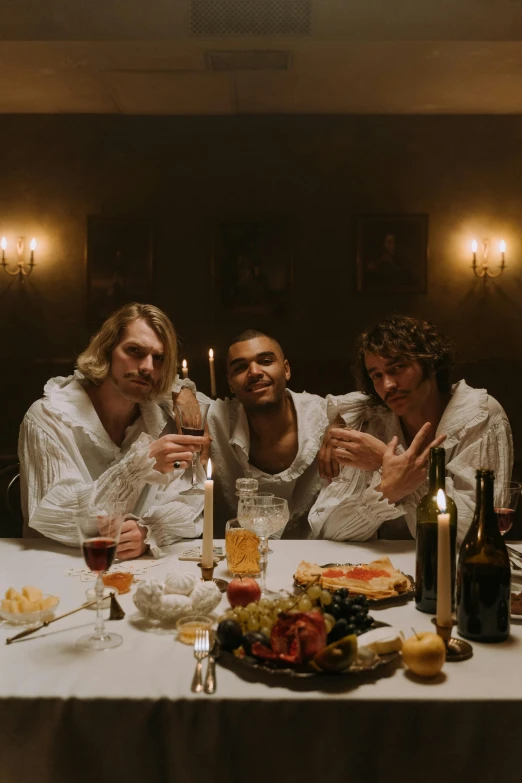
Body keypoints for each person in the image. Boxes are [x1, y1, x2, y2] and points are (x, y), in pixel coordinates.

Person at [19, 303, 207, 559]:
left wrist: (150, 530)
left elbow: (191, 499)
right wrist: (140, 465)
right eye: (134, 351)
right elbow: (53, 513)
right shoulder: (48, 417)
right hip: (54, 567)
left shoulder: (162, 419)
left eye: (158, 358)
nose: (147, 367)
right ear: (106, 351)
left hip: (136, 571)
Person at [309, 315, 513, 543]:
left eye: (398, 367)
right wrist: (387, 491)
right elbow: (329, 531)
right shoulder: (370, 420)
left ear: (431, 363)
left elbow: (481, 531)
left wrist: (387, 463)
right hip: (376, 572)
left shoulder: (478, 414)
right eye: (377, 375)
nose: (388, 385)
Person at [198, 329, 328, 538]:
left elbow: (365, 403)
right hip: (238, 562)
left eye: (266, 361)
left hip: (315, 563)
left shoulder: (324, 417)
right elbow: (163, 394)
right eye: (241, 367)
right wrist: (183, 392)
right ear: (230, 383)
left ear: (286, 370)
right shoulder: (216, 419)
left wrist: (341, 420)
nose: (254, 372)